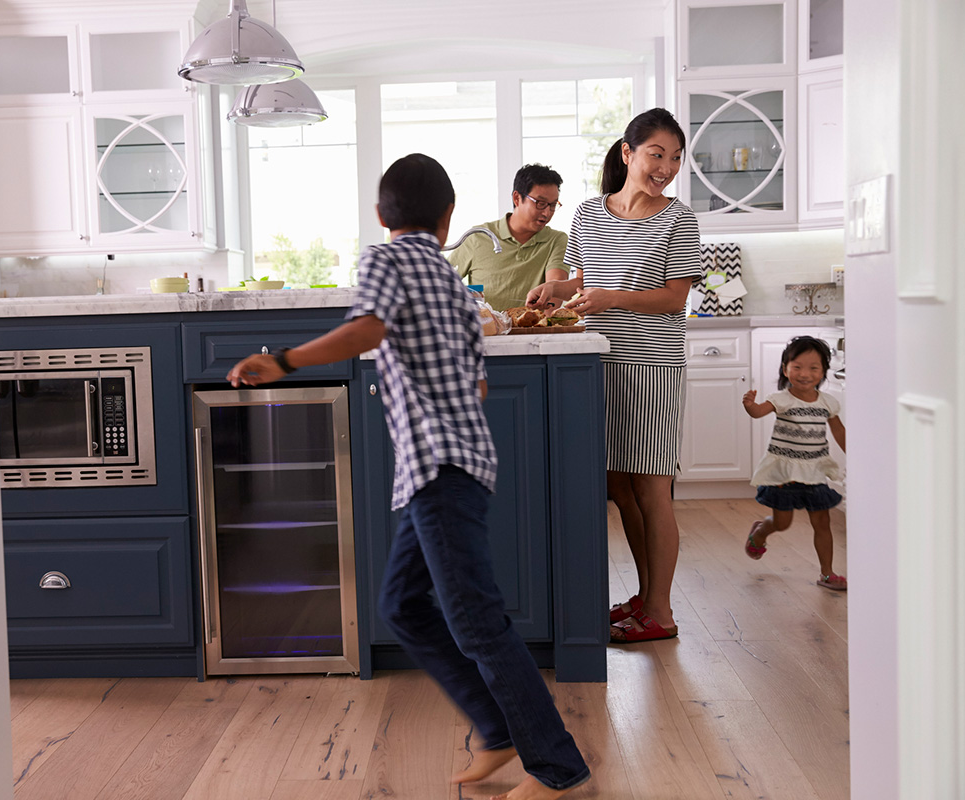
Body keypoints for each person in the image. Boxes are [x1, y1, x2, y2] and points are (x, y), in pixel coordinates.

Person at [227, 153, 589, 800]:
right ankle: (497, 731)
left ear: (379, 215)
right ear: (448, 219)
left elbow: (369, 327)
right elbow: (475, 384)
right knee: (403, 606)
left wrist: (281, 360)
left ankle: (557, 770)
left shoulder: (385, 260)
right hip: (461, 464)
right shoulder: (453, 283)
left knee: (477, 621)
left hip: (438, 467)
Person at [525, 108, 701, 644]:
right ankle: (647, 598)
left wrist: (609, 298)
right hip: (597, 364)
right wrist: (556, 292)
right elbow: (584, 281)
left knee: (652, 488)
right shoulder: (587, 214)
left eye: (674, 158)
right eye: (656, 154)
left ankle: (662, 613)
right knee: (620, 487)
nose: (666, 167)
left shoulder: (678, 217)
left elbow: (675, 298)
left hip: (651, 367)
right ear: (627, 153)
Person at [742, 336, 848, 590]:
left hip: (814, 472)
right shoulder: (781, 399)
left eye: (814, 368)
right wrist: (749, 405)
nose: (805, 374)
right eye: (797, 366)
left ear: (823, 371)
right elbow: (758, 412)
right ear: (785, 368)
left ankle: (827, 573)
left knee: (822, 523)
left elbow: (839, 432)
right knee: (782, 523)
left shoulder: (827, 403)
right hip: (784, 474)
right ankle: (760, 532)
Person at [448, 163, 569, 311]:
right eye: (541, 203)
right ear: (517, 198)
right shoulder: (478, 237)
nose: (547, 213)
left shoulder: (556, 240)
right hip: (488, 332)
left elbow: (555, 293)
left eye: (552, 205)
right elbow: (443, 285)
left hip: (534, 332)